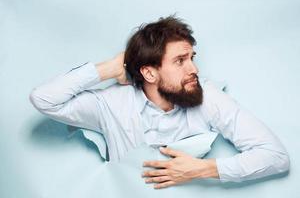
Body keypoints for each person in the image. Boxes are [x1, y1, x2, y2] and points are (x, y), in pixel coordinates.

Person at [29, 16, 290, 189]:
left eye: (192, 57)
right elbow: (44, 99)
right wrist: (110, 67)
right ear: (149, 73)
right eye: (180, 61)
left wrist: (205, 169)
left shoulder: (206, 96)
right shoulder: (111, 105)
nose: (194, 69)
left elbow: (276, 156)